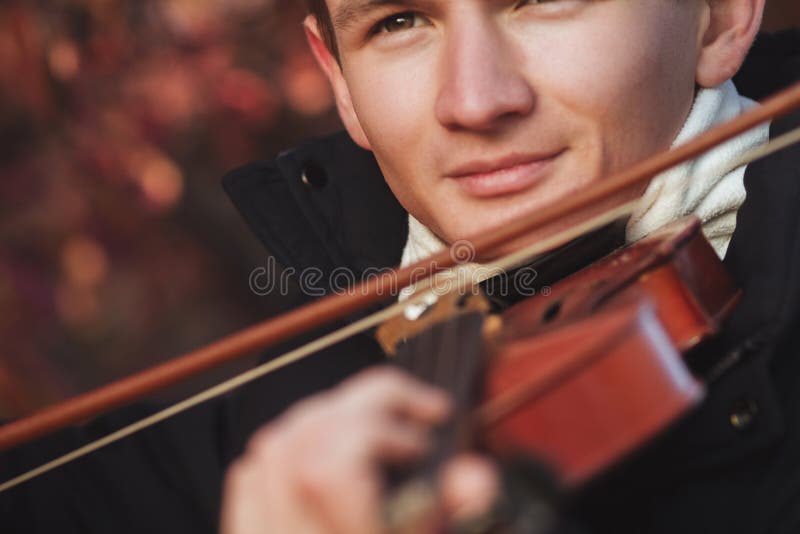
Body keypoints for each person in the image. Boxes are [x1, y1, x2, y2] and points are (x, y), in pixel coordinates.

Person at [1, 1, 799, 533]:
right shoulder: (281, 432)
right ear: (340, 83)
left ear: (718, 17)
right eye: (399, 20)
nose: (476, 101)